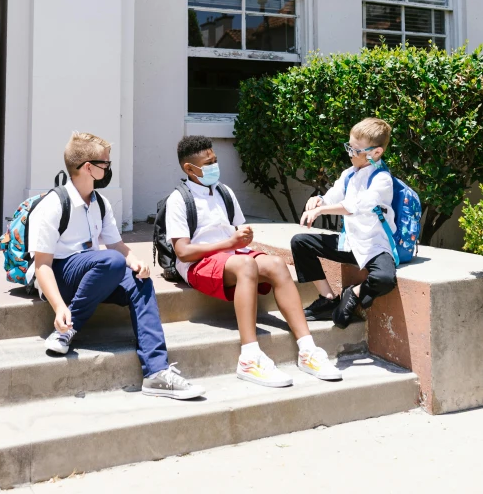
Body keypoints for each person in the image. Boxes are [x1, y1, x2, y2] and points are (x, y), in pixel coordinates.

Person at [29, 131, 205, 400]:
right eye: (106, 164)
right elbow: (42, 265)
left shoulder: (100, 203)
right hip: (61, 275)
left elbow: (117, 246)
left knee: (139, 279)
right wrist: (59, 306)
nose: (110, 169)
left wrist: (135, 261)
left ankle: (156, 372)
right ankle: (67, 329)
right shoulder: (54, 204)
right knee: (111, 262)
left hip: (96, 273)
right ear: (89, 168)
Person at [166, 135, 342, 388]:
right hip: (198, 263)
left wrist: (243, 238)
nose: (214, 166)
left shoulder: (224, 192)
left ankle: (307, 349)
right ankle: (249, 357)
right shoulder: (179, 200)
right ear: (189, 169)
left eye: (215, 160)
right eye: (208, 163)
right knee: (246, 265)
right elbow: (182, 252)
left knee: (276, 264)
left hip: (231, 257)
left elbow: (238, 230)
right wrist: (230, 244)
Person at [291, 118, 397, 329]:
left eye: (355, 150)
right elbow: (331, 198)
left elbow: (355, 206)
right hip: (349, 243)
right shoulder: (348, 175)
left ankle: (354, 293)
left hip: (374, 246)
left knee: (385, 278)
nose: (350, 153)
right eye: (348, 146)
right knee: (300, 243)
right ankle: (328, 298)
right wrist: (318, 201)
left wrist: (321, 210)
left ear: (375, 153)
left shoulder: (382, 179)